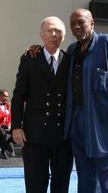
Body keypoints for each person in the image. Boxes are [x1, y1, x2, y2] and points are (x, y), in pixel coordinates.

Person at [25, 9, 108, 193]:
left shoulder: (107, 44)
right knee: (85, 177)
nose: (76, 26)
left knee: (107, 180)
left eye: (81, 22)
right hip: (76, 125)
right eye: (72, 23)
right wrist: (36, 49)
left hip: (103, 126)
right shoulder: (73, 51)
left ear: (92, 23)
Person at [11, 16, 73, 193]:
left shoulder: (69, 60)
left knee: (61, 184)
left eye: (58, 31)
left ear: (64, 35)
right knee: (35, 183)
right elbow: (18, 96)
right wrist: (16, 126)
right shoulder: (29, 58)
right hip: (34, 134)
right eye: (49, 30)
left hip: (63, 136)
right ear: (41, 34)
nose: (54, 34)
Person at [0, 89, 14, 159]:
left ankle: (7, 144)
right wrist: (6, 112)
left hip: (4, 125)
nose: (7, 98)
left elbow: (9, 117)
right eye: (4, 96)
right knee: (3, 133)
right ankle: (4, 151)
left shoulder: (7, 105)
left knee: (15, 131)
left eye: (7, 96)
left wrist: (9, 125)